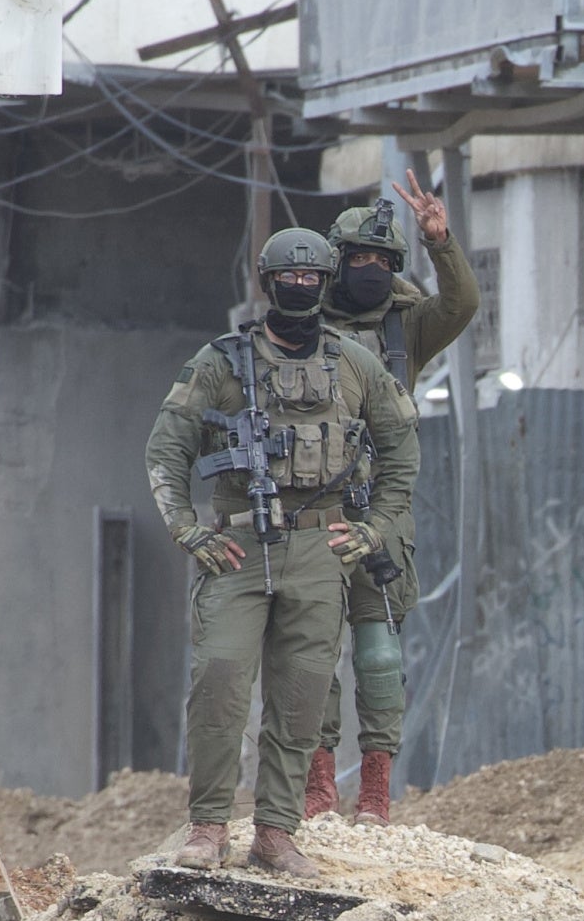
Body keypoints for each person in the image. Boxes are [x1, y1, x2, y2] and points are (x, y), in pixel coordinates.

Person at [142, 227, 419, 872]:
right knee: (220, 682)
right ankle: (208, 827)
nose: (299, 288)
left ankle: (276, 831)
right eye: (288, 279)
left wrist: (374, 528)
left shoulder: (355, 363)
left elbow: (402, 447)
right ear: (268, 283)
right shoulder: (220, 362)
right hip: (237, 546)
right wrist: (188, 530)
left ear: (326, 285)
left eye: (312, 279)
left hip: (322, 548)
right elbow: (168, 448)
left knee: (301, 696)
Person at [303, 187, 485, 826]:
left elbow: (461, 303)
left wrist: (440, 239)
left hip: (382, 509)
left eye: (384, 258)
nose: (371, 269)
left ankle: (376, 794)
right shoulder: (304, 325)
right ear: (338, 260)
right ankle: (318, 789)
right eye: (359, 257)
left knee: (379, 653)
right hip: (312, 510)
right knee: (313, 651)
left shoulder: (404, 327)